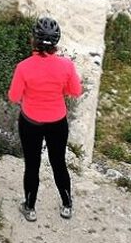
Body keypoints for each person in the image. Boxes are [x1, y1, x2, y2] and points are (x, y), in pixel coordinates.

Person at [7, 16, 82, 222]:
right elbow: (75, 91)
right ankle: (67, 205)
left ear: (34, 39)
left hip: (30, 122)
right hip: (58, 122)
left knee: (32, 165)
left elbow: (13, 96)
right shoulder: (66, 65)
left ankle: (30, 208)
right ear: (56, 42)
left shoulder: (23, 67)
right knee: (59, 163)